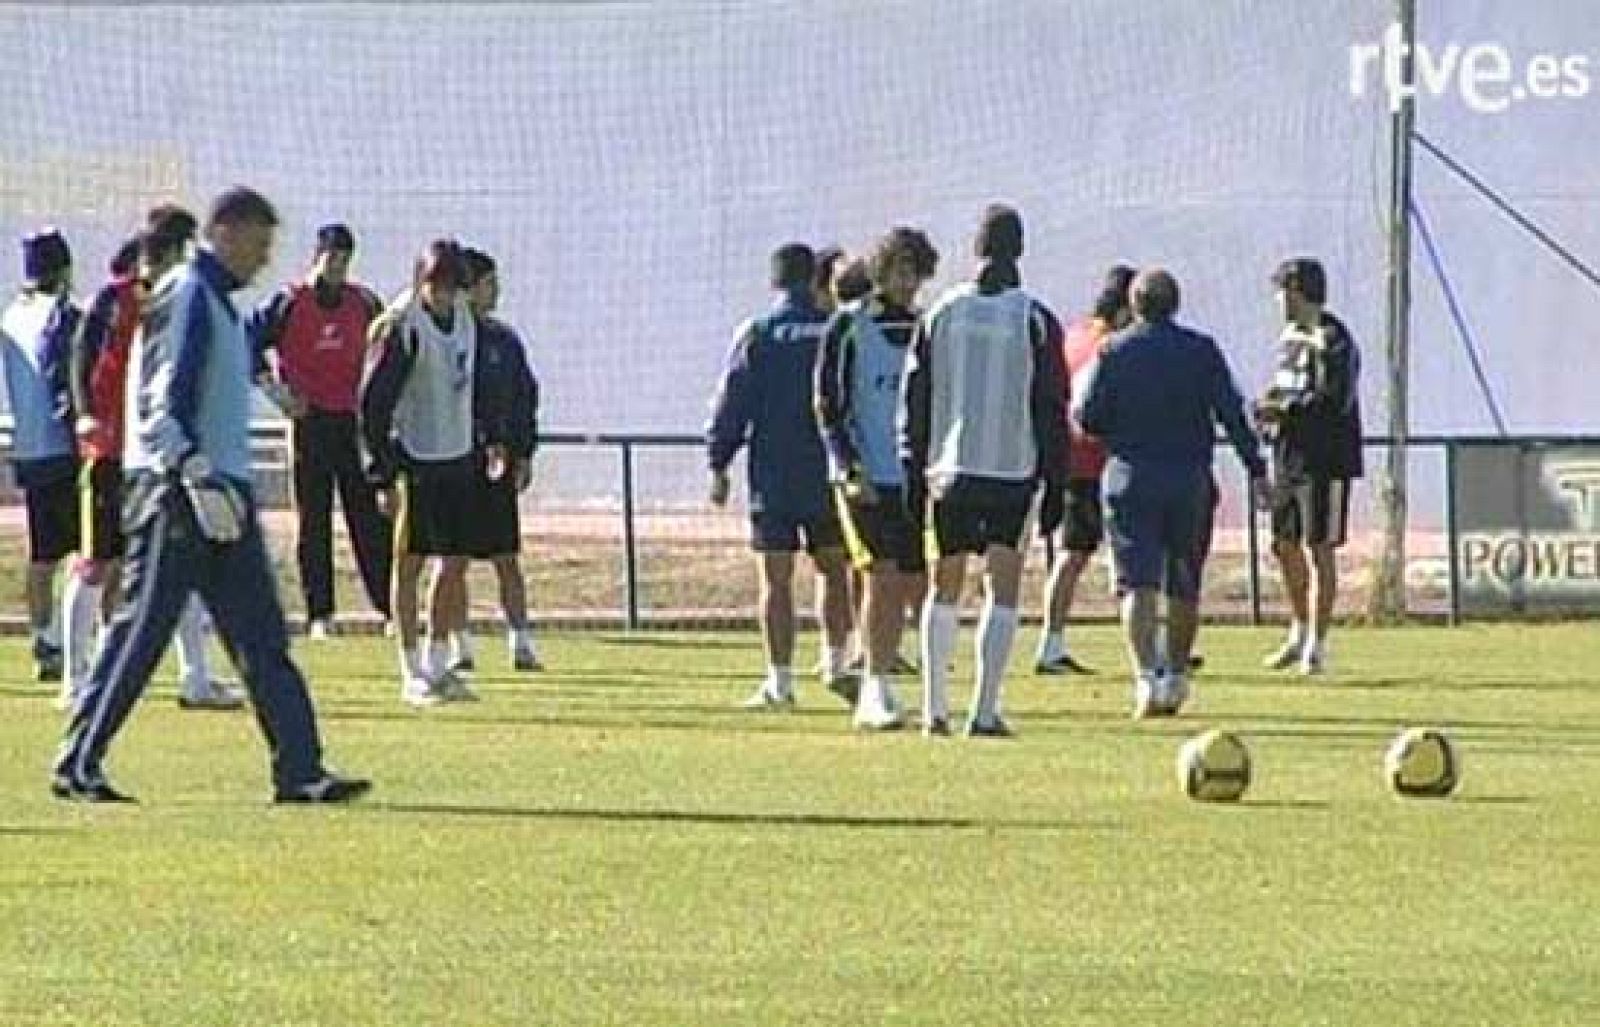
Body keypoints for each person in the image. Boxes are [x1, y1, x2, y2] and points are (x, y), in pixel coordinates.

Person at [53, 186, 370, 803]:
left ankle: (301, 770)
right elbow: (162, 404)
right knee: (140, 631)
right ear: (223, 233)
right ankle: (78, 761)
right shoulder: (192, 295)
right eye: (256, 243)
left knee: (261, 636)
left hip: (222, 492)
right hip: (181, 495)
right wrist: (192, 471)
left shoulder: (215, 301)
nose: (261, 258)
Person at [60, 206, 244, 712]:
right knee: (96, 564)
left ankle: (195, 677)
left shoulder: (183, 303)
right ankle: (75, 682)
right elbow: (81, 354)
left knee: (178, 565)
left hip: (159, 459)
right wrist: (83, 415)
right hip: (110, 453)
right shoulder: (117, 299)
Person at [900, 205, 1070, 737]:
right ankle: (985, 710)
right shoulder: (1033, 317)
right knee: (1003, 586)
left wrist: (912, 464)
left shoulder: (941, 312)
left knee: (943, 586)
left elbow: (915, 396)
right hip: (1011, 470)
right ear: (1019, 250)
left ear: (974, 250)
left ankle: (933, 710)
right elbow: (1051, 406)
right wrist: (1057, 479)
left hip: (949, 470)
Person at [1075, 268, 1268, 719]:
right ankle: (1177, 675)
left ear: (1134, 304)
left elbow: (1087, 416)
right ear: (1176, 304)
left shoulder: (1113, 351)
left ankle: (1146, 677)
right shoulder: (1201, 351)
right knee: (1184, 581)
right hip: (1188, 478)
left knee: (1136, 582)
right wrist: (1256, 469)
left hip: (1130, 475)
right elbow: (1231, 412)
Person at [706, 242, 854, 708]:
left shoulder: (760, 333)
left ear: (774, 282)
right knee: (834, 569)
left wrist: (719, 460)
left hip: (773, 475)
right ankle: (835, 662)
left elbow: (733, 400)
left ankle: (780, 681)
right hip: (827, 471)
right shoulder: (836, 329)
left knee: (776, 580)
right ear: (815, 279)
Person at [816, 227, 938, 730]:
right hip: (865, 475)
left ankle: (929, 691)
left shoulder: (928, 327)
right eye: (898, 269)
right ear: (880, 271)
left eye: (914, 270)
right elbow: (827, 402)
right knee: (880, 577)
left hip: (914, 478)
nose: (906, 281)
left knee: (919, 581)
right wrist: (847, 464)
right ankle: (875, 688)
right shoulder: (849, 325)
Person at [250, 223, 392, 638]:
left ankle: (388, 607)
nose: (337, 267)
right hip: (308, 423)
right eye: (331, 258)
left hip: (351, 422)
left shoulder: (363, 303)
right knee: (313, 520)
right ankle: (320, 614)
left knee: (366, 517)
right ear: (317, 257)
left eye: (344, 260)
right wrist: (277, 394)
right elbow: (247, 342)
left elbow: (389, 344)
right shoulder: (289, 303)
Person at [360, 240, 479, 707]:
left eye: (454, 286)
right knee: (409, 565)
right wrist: (383, 474)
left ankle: (437, 659)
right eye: (439, 285)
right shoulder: (403, 330)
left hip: (458, 456)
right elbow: (372, 406)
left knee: (455, 563)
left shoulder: (466, 320)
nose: (447, 295)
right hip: (417, 460)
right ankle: (410, 669)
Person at [436, 247, 541, 674]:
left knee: (506, 558)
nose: (495, 291)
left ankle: (520, 641)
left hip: (496, 465)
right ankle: (459, 645)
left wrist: (522, 452)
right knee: (453, 560)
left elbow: (524, 399)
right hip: (455, 463)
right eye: (488, 283)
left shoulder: (504, 340)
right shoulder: (447, 338)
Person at [1257, 257, 1363, 676]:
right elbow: (1283, 389)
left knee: (1321, 548)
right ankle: (1298, 629)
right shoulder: (1290, 338)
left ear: (1299, 292)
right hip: (1289, 458)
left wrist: (1283, 412)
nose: (1279, 301)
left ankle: (1318, 645)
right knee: (1283, 545)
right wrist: (1265, 413)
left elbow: (1332, 400)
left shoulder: (1335, 340)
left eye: (1283, 292)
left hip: (1325, 461)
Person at [1035, 265, 1135, 675]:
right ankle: (1150, 650)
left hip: (1070, 461)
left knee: (1074, 556)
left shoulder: (1073, 336)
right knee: (1122, 557)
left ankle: (1051, 642)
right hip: (1102, 464)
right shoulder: (1112, 346)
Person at [1, 229, 80, 682]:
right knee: (95, 553)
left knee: (43, 554)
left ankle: (45, 641)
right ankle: (85, 642)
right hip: (65, 447)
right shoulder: (65, 315)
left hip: (29, 450)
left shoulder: (12, 316)